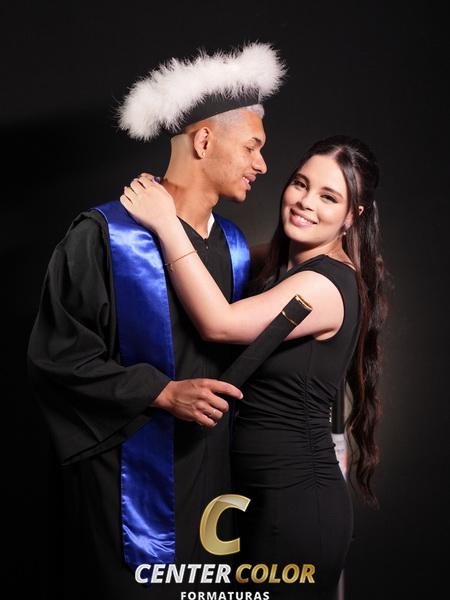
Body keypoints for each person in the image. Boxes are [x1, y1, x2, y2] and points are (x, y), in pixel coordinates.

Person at [27, 42, 286, 599]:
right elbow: (59, 360)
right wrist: (163, 393)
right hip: (128, 486)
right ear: (204, 140)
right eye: (252, 147)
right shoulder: (106, 236)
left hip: (214, 486)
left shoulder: (234, 246)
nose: (262, 164)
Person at [120, 134, 388, 599]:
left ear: (352, 216)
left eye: (329, 197)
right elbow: (212, 258)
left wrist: (163, 221)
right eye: (300, 183)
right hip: (254, 499)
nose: (306, 202)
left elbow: (219, 323)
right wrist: (174, 201)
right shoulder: (281, 263)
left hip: (296, 506)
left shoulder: (325, 285)